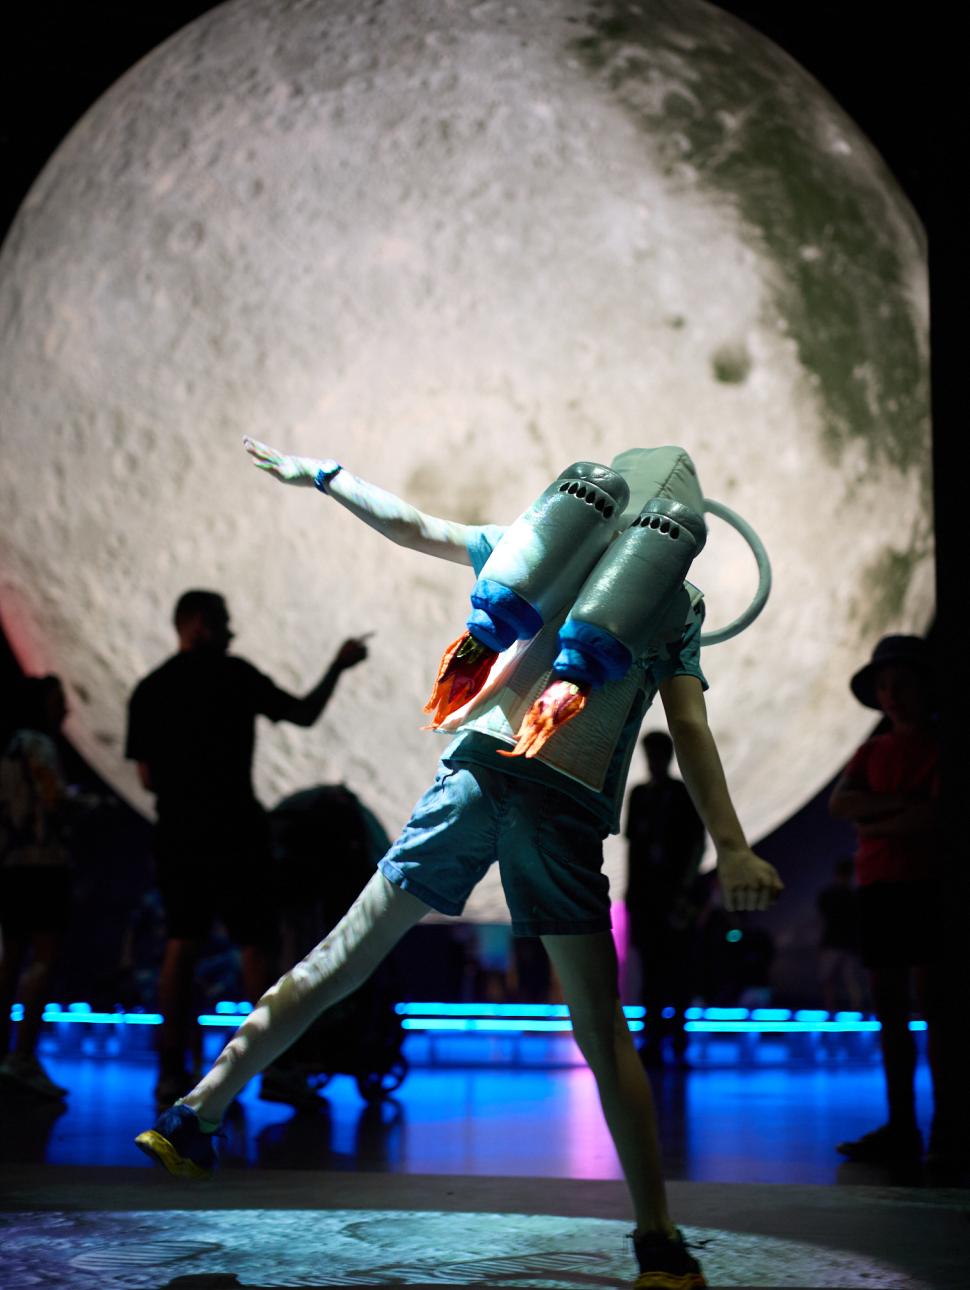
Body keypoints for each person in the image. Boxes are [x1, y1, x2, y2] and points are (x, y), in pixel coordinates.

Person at [135, 440, 783, 1290]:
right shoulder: (671, 601)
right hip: (561, 806)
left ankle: (195, 1112)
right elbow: (690, 731)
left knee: (342, 956)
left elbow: (412, 526)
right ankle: (658, 1240)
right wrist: (731, 844)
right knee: (598, 1027)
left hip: (474, 775)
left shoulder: (539, 543)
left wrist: (327, 477)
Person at [125, 588, 368, 1106]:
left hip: (178, 834)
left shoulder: (151, 689)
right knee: (255, 947)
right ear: (199, 623)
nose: (231, 631)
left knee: (181, 946)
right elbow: (302, 713)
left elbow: (146, 778)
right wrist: (339, 665)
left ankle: (172, 1072)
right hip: (236, 831)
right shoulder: (234, 676)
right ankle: (274, 1069)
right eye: (223, 621)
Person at [829, 635, 954, 1170]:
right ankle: (905, 1124)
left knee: (933, 1008)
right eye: (885, 686)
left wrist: (874, 817)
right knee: (893, 1012)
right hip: (882, 887)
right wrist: (904, 808)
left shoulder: (939, 747)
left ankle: (939, 1125)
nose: (893, 695)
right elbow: (843, 806)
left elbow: (934, 817)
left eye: (901, 684)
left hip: (925, 885)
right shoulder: (874, 751)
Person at [0, 675, 73, 1100]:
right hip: (43, 867)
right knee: (42, 961)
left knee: (9, 963)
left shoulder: (8, 747)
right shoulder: (39, 746)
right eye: (60, 700)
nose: (66, 710)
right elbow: (54, 800)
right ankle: (23, 1057)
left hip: (10, 866)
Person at [625, 730, 705, 1065]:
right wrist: (631, 893)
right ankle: (655, 1039)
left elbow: (696, 844)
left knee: (676, 969)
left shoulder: (680, 795)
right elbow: (634, 847)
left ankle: (676, 1039)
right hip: (647, 895)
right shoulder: (641, 795)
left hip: (673, 896)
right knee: (653, 970)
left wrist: (685, 890)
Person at [816, 857, 865, 1015]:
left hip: (833, 943)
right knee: (850, 980)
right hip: (847, 944)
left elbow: (822, 916)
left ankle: (831, 1011)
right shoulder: (853, 896)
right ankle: (855, 1012)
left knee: (830, 979)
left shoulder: (829, 894)